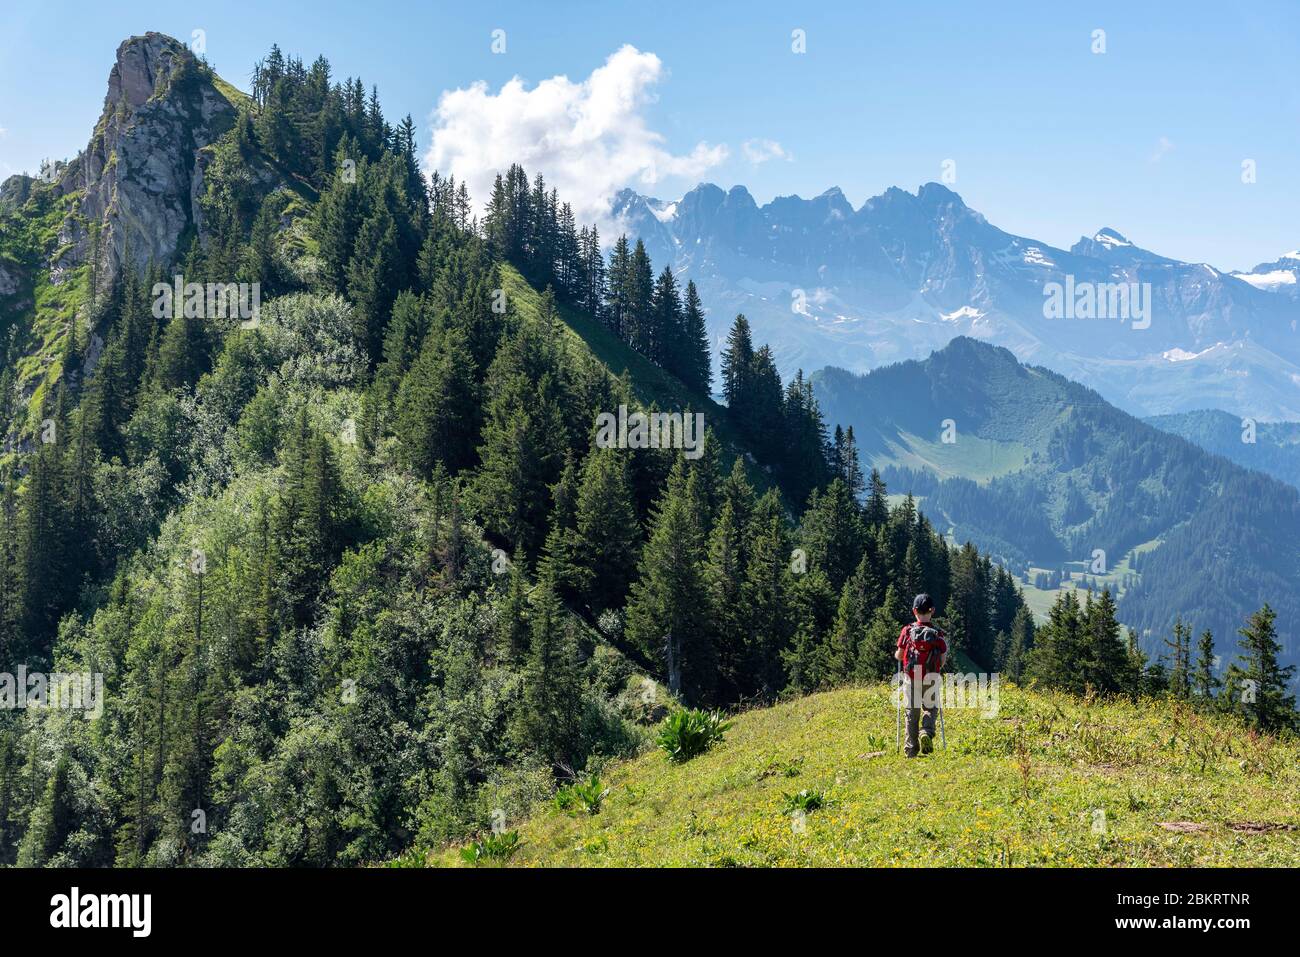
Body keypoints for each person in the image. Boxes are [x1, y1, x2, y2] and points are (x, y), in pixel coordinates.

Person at [896, 593, 947, 757]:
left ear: (914, 611)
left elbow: (899, 655)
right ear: (932, 610)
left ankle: (911, 750)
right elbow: (942, 659)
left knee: (912, 712)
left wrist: (899, 656)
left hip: (911, 677)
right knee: (930, 708)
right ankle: (926, 731)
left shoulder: (907, 630)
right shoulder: (937, 634)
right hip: (930, 677)